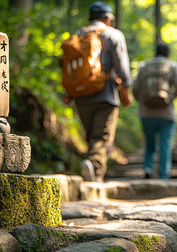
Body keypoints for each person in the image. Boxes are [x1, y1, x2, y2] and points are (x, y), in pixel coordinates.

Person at [63, 1, 132, 182]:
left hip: (80, 95)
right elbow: (123, 68)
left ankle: (91, 168)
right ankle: (93, 168)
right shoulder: (113, 35)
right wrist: (125, 94)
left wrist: (69, 92)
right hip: (106, 94)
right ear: (107, 18)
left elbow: (69, 66)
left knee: (91, 137)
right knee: (101, 137)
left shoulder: (78, 35)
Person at [133, 43, 177, 179]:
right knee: (165, 144)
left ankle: (147, 168)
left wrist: (143, 102)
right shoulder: (172, 65)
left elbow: (135, 88)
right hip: (166, 113)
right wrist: (171, 97)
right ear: (168, 53)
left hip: (146, 113)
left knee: (149, 144)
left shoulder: (144, 66)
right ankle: (163, 175)